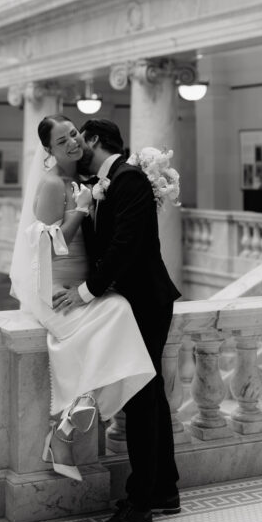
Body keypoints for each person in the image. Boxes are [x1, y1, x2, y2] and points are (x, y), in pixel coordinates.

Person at [53, 117, 181, 522]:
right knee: (152, 395)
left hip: (145, 303)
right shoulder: (107, 184)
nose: (76, 146)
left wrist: (86, 293)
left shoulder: (128, 182)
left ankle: (139, 506)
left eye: (79, 138)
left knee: (142, 400)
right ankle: (164, 489)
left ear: (93, 140)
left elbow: (127, 246)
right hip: (132, 304)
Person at [9, 114, 155, 482]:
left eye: (74, 134)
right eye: (62, 141)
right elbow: (46, 246)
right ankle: (69, 423)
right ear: (48, 150)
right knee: (118, 311)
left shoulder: (84, 179)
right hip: (55, 290)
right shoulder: (53, 183)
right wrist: (80, 210)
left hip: (80, 287)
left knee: (118, 314)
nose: (73, 142)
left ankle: (67, 428)